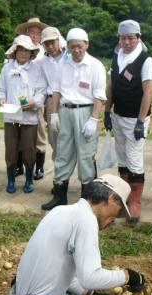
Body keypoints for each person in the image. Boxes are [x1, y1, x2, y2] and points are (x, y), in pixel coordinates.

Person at [11, 174, 146, 295]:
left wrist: (92, 294)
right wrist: (128, 276)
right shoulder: (86, 220)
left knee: (78, 287)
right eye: (118, 210)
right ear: (111, 198)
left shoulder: (61, 210)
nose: (115, 218)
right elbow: (90, 277)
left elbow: (63, 271)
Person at [41, 28, 107, 211]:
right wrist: (53, 114)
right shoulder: (64, 64)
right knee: (63, 153)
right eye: (72, 47)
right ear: (67, 47)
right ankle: (59, 196)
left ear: (86, 44)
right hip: (65, 111)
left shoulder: (96, 66)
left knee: (85, 155)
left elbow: (99, 96)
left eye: (79, 46)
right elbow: (56, 91)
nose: (76, 50)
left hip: (85, 113)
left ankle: (87, 200)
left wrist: (94, 119)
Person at [104, 20, 152, 223]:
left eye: (130, 38)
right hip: (119, 115)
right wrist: (107, 111)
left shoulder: (145, 60)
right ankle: (124, 197)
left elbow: (149, 91)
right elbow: (111, 86)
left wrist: (141, 121)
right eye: (123, 38)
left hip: (136, 117)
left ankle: (135, 202)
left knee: (134, 158)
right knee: (122, 156)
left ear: (138, 38)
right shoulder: (117, 56)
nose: (126, 42)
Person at [0, 35, 45, 193]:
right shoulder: (7, 68)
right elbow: (1, 89)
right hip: (10, 116)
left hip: (29, 116)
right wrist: (1, 99)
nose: (23, 53)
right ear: (15, 52)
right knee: (11, 148)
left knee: (29, 149)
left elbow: (41, 92)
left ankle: (29, 180)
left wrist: (34, 103)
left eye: (26, 50)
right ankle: (11, 180)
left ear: (31, 53)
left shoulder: (37, 69)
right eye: (20, 50)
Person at [15, 17, 48, 180]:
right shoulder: (17, 48)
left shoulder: (44, 52)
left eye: (38, 33)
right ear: (26, 33)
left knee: (40, 134)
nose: (35, 36)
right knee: (19, 134)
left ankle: (39, 168)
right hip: (18, 100)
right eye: (32, 32)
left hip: (37, 100)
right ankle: (19, 166)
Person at [39, 27, 68, 163]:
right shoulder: (43, 62)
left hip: (69, 100)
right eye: (46, 44)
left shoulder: (69, 56)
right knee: (53, 137)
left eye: (53, 42)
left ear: (58, 40)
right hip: (51, 102)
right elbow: (43, 86)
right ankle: (60, 174)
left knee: (70, 137)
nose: (50, 47)